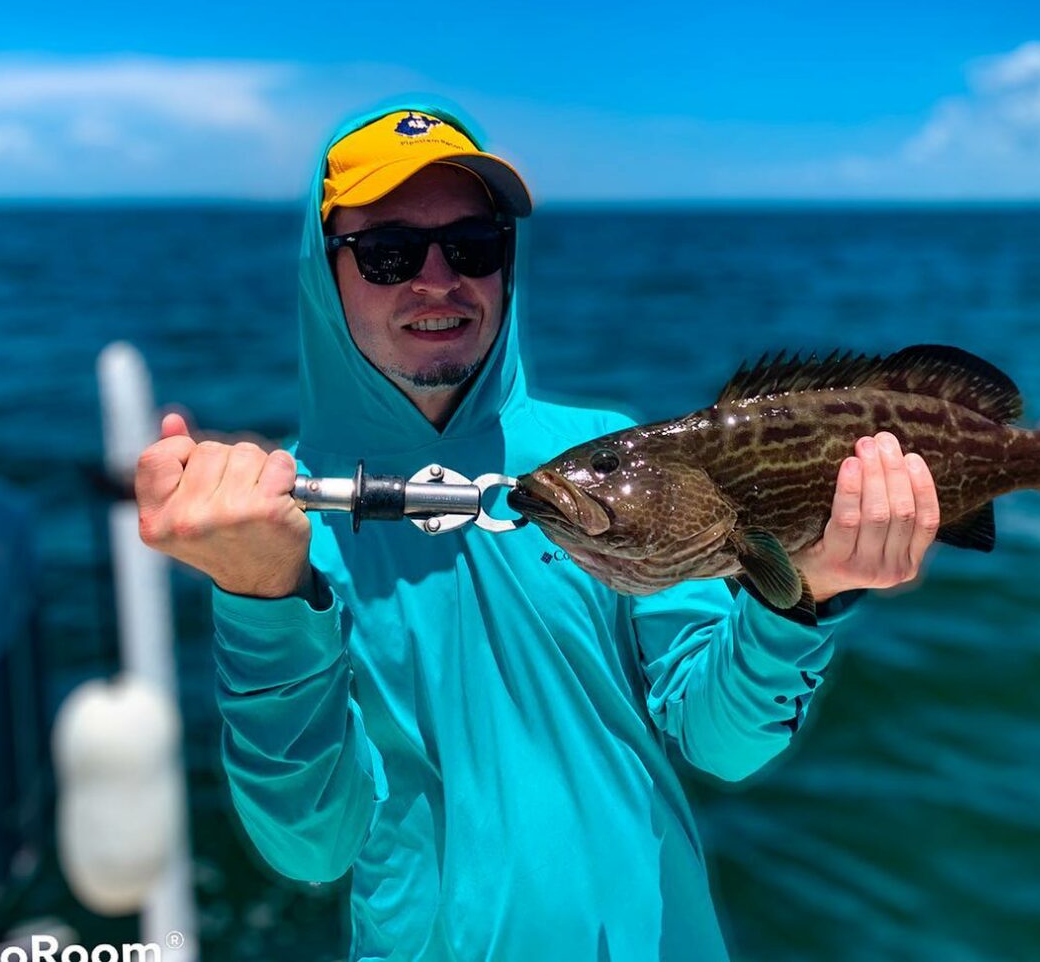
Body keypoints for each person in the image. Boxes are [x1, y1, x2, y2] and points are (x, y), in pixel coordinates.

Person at [134, 100, 941, 961]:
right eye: (390, 252)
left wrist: (804, 598)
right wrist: (262, 599)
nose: (438, 279)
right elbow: (309, 845)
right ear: (324, 274)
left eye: (474, 246)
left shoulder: (610, 460)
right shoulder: (286, 519)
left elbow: (722, 739)